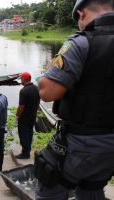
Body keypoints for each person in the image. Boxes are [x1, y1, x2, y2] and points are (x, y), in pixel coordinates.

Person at [35, 1, 114, 199]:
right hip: (110, 147)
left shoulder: (80, 42)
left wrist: (50, 68)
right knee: (92, 190)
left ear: (81, 13)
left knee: (48, 186)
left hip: (82, 142)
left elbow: (47, 92)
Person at [15, 72, 40, 159]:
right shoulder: (37, 88)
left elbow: (21, 106)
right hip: (33, 116)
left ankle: (25, 153)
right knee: (29, 134)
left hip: (24, 118)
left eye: (21, 79)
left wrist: (17, 116)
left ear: (25, 80)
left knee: (23, 135)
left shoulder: (23, 91)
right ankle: (27, 151)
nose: (21, 81)